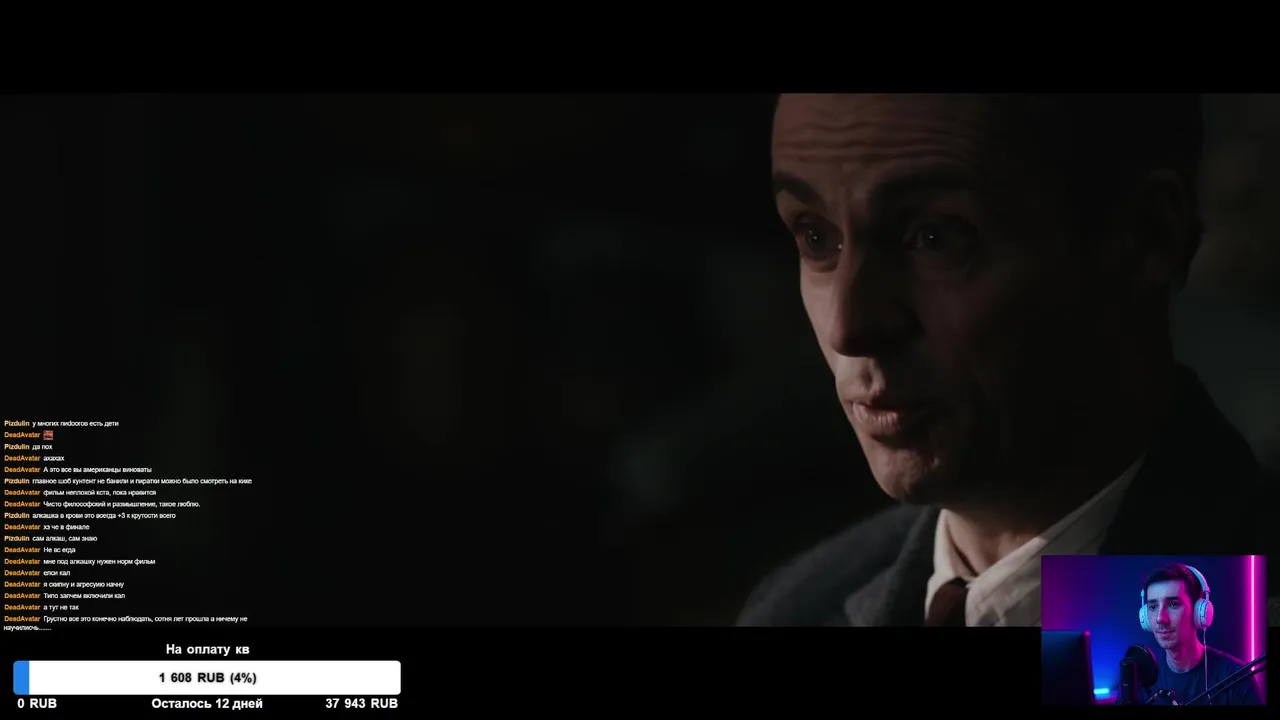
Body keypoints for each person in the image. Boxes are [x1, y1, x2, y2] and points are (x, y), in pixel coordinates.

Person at [738, 94, 1275, 627]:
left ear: (1147, 238)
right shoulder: (799, 604)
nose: (850, 328)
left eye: (935, 238)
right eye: (816, 238)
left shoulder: (1239, 625)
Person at [1135, 564, 1261, 705]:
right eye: (1153, 607)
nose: (1160, 618)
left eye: (1173, 604)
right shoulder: (1140, 677)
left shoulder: (1236, 678)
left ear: (1198, 612)